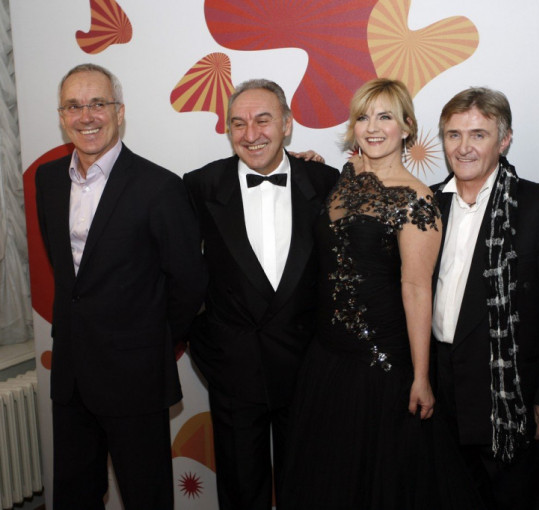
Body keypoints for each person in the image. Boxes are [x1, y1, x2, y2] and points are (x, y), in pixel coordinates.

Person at [280, 78, 482, 509]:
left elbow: (417, 288)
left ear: (407, 127)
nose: (372, 127)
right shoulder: (343, 177)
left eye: (385, 116)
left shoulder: (416, 199)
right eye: (363, 117)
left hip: (380, 366)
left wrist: (421, 376)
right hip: (326, 359)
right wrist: (299, 162)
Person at [35, 63, 207, 509]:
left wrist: (151, 340)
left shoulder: (160, 187)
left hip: (135, 377)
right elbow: (68, 272)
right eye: (74, 106)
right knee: (73, 495)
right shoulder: (47, 180)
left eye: (98, 103)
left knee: (146, 496)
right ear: (61, 116)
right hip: (71, 375)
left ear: (119, 111)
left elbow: (189, 282)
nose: (86, 116)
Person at [183, 79, 339, 510]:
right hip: (234, 370)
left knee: (308, 489)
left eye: (263, 120)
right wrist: (205, 346)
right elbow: (180, 274)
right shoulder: (199, 185)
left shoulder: (326, 180)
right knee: (240, 492)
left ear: (287, 124)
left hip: (307, 368)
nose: (250, 134)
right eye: (238, 123)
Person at [431, 87, 539, 510]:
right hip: (439, 390)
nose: (463, 147)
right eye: (453, 134)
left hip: (508, 397)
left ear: (504, 140)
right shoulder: (426, 204)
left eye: (478, 135)